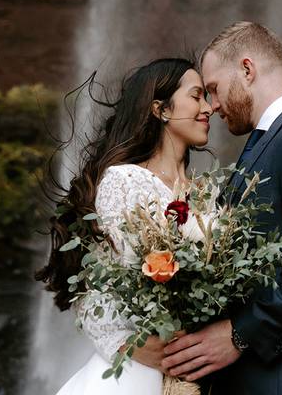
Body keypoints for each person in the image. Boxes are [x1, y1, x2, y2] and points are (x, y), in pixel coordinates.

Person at [161, 21, 282, 394]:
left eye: (215, 89)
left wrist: (240, 333)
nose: (213, 105)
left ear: (248, 70)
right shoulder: (267, 144)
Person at [34, 57, 214, 395]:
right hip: (136, 372)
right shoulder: (125, 182)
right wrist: (127, 343)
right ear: (161, 110)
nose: (209, 108)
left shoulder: (206, 193)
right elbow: (100, 284)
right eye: (197, 96)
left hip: (195, 369)